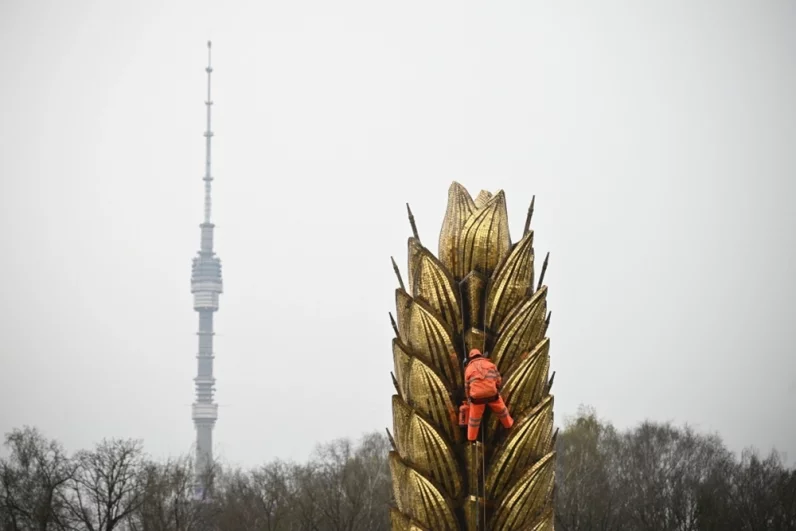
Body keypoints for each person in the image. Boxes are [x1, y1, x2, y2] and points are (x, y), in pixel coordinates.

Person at [464, 348, 513, 441]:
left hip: (477, 399)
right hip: (492, 395)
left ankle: (471, 437)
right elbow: (498, 380)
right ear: (481, 355)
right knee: (502, 410)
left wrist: (468, 398)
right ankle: (508, 424)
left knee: (473, 419)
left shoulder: (468, 369)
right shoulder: (491, 365)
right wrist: (496, 386)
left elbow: (467, 387)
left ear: (471, 358)